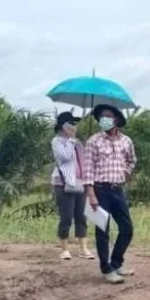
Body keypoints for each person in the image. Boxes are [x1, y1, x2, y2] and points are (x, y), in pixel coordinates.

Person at [83, 104, 137, 284]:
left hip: (117, 189)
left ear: (116, 119)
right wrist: (91, 195)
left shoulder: (126, 141)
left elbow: (131, 160)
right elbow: (88, 170)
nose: (103, 119)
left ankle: (116, 262)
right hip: (99, 190)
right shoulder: (93, 141)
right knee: (102, 231)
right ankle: (106, 269)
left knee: (127, 229)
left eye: (107, 116)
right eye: (101, 117)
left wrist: (127, 171)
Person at [51, 111, 94, 260]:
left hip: (80, 182)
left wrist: (86, 145)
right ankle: (64, 249)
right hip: (63, 183)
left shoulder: (76, 142)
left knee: (81, 216)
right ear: (63, 126)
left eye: (75, 124)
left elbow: (85, 159)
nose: (74, 127)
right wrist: (70, 141)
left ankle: (84, 248)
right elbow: (64, 157)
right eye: (71, 124)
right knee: (67, 217)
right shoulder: (57, 141)